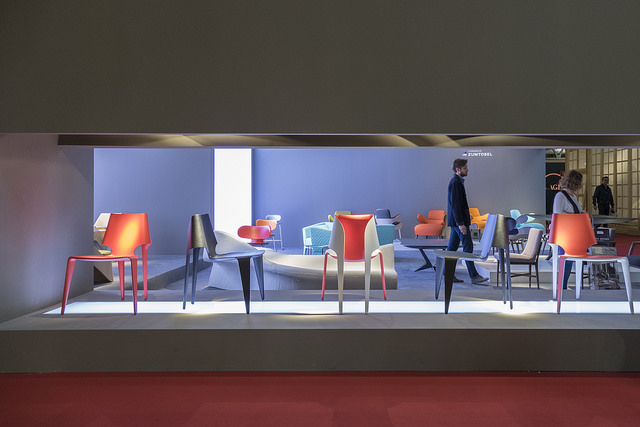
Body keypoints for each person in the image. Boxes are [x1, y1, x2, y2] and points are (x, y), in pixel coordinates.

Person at [446, 158, 488, 285]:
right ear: (458, 169)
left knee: (451, 249)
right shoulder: (455, 183)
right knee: (468, 247)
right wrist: (461, 224)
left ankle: (447, 274)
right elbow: (455, 205)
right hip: (459, 223)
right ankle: (474, 276)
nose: (467, 170)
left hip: (456, 223)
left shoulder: (457, 182)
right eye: (465, 168)